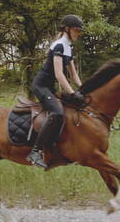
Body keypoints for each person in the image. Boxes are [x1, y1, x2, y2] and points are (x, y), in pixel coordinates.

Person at [26, 14, 85, 168]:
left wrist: (83, 90)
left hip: (49, 87)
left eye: (79, 31)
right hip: (40, 86)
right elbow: (59, 74)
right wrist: (72, 93)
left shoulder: (68, 48)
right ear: (67, 29)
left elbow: (73, 74)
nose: (78, 33)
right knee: (58, 113)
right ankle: (35, 151)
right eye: (76, 30)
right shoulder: (59, 45)